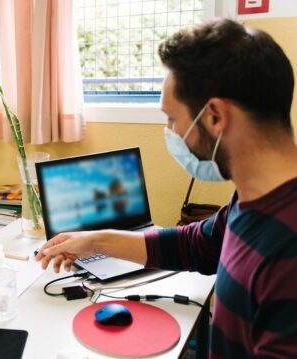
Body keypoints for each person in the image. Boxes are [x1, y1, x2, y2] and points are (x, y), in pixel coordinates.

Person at [36, 19, 297, 358]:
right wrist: (94, 241)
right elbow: (196, 245)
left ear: (215, 115)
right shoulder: (255, 199)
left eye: (173, 119)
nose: (171, 131)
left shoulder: (288, 248)